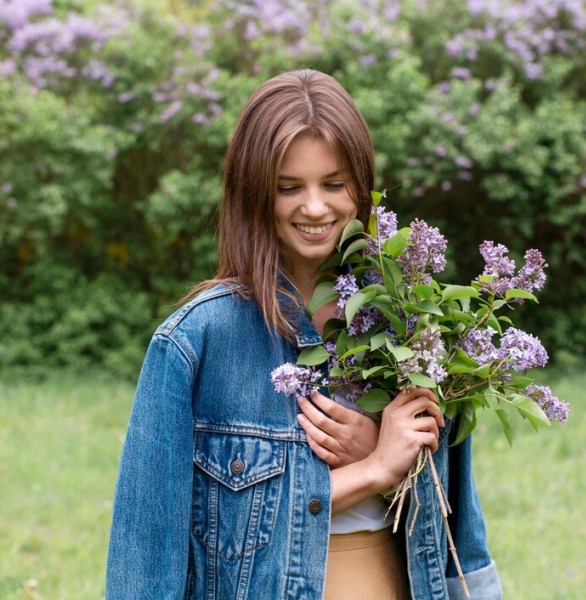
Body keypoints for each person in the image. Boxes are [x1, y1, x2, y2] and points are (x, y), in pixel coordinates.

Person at [106, 69, 502, 599]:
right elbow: (145, 561)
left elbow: (458, 533)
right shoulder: (193, 343)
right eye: (288, 187)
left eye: (334, 184)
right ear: (253, 193)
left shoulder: (416, 327)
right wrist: (373, 468)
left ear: (361, 188)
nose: (315, 207)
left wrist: (384, 457)